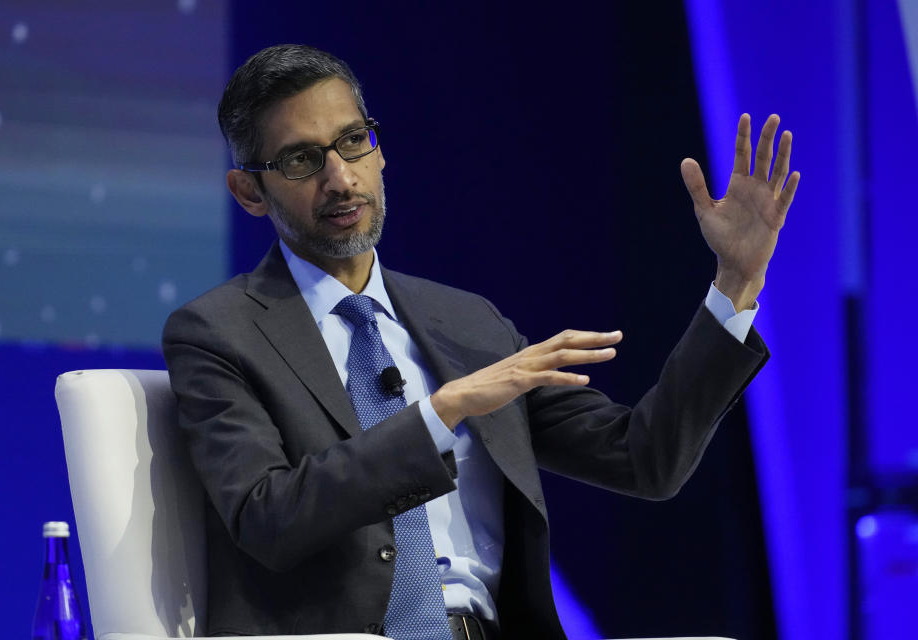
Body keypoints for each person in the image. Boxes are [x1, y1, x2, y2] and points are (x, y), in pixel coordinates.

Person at [162, 44, 799, 640]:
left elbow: (643, 459)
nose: (339, 178)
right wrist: (441, 414)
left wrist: (736, 284)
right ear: (249, 191)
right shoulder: (219, 333)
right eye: (302, 159)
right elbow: (267, 517)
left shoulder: (466, 325)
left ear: (379, 151)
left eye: (352, 142)